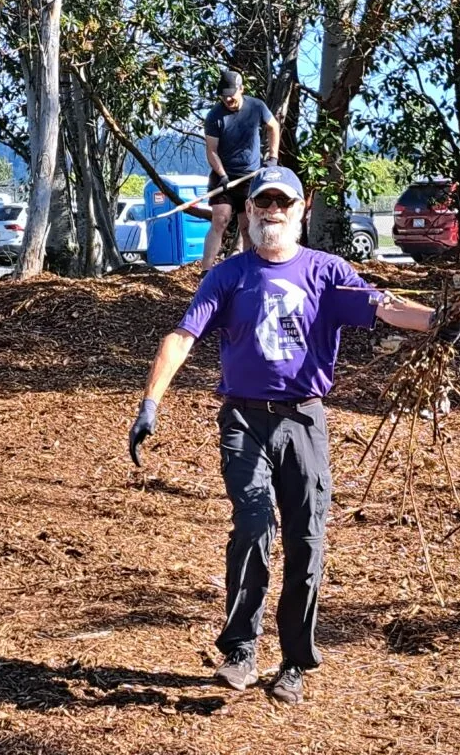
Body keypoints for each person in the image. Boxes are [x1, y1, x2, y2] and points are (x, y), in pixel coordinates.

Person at [128, 166, 441, 704]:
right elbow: (183, 336)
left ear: (301, 211)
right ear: (248, 212)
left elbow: (387, 308)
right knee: (252, 524)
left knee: (306, 539)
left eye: (283, 203)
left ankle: (294, 661)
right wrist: (150, 402)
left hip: (304, 419)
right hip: (244, 418)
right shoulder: (228, 276)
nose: (272, 211)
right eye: (262, 203)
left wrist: (441, 319)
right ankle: (240, 649)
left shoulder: (326, 272)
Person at [201, 70, 281, 275]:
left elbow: (273, 126)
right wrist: (223, 176)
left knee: (248, 226)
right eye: (224, 95)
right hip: (223, 176)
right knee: (220, 219)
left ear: (241, 90)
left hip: (250, 177)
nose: (228, 99)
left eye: (232, 94)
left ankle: (250, 270)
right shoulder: (214, 117)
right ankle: (207, 270)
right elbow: (211, 151)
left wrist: (272, 158)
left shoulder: (256, 107)